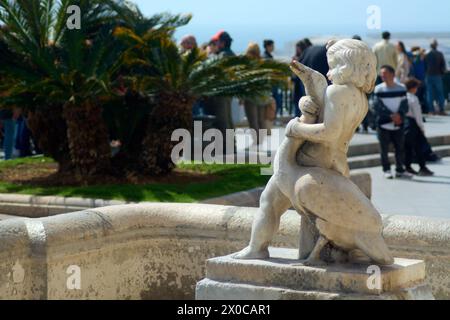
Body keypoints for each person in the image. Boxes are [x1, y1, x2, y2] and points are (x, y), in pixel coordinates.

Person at [373, 65, 412, 179]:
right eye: (381, 73)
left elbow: (405, 104)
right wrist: (391, 116)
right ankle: (387, 170)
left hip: (398, 123)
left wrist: (399, 115)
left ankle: (400, 169)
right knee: (383, 149)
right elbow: (377, 106)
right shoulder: (378, 89)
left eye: (385, 73)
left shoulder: (402, 88)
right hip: (383, 124)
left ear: (392, 74)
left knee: (400, 148)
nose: (382, 75)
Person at [202, 31, 236, 154]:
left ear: (222, 42)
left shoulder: (223, 55)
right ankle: (231, 146)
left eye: (217, 42)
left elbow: (213, 68)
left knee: (222, 120)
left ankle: (226, 148)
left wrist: (208, 54)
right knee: (227, 119)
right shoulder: (229, 54)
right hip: (225, 93)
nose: (215, 44)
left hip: (220, 93)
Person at [242, 43, 272, 146]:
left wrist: (242, 96)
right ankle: (260, 141)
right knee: (261, 120)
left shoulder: (249, 65)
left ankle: (256, 141)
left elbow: (245, 81)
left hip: (251, 97)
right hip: (262, 97)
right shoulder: (262, 63)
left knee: (253, 120)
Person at [404, 78, 434, 176]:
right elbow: (418, 115)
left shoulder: (403, 97)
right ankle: (422, 167)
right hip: (413, 124)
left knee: (408, 147)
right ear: (413, 88)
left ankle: (408, 166)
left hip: (405, 124)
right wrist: (421, 127)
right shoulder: (413, 98)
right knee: (418, 147)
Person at [425, 39, 447, 115]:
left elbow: (423, 65)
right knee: (440, 93)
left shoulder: (426, 54)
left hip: (428, 75)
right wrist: (442, 73)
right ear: (436, 45)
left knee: (429, 94)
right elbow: (443, 66)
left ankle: (431, 110)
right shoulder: (440, 54)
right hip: (438, 75)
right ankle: (441, 110)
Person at [291, 40, 308, 117]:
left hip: (304, 85)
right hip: (297, 86)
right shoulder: (295, 58)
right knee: (297, 109)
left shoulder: (305, 57)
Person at [411, 47, 429, 113]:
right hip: (420, 81)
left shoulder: (416, 62)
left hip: (419, 81)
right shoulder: (420, 62)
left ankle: (420, 110)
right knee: (420, 96)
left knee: (419, 96)